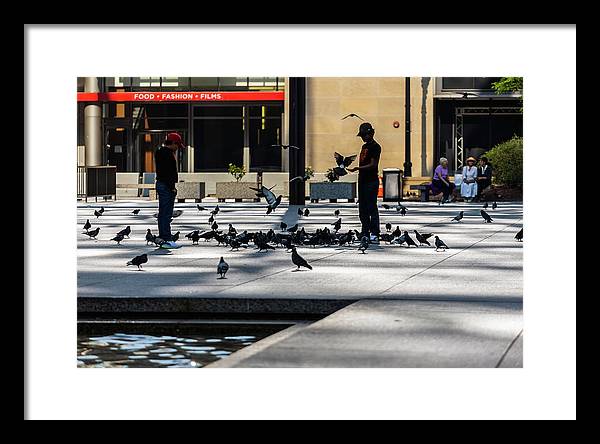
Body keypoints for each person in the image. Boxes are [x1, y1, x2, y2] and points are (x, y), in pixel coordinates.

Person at [347, 122, 381, 243]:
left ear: (372, 133)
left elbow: (373, 164)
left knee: (371, 207)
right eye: (362, 136)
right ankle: (365, 230)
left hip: (371, 181)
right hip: (362, 181)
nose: (363, 138)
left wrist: (358, 169)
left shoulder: (375, 147)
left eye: (365, 135)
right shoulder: (364, 147)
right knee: (362, 208)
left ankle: (375, 232)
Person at [154, 132, 185, 249]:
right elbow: (168, 172)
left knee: (164, 213)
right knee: (166, 213)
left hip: (162, 184)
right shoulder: (167, 154)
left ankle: (165, 237)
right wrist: (172, 187)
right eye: (177, 145)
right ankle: (166, 238)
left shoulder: (160, 152)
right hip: (166, 186)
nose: (177, 148)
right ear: (172, 143)